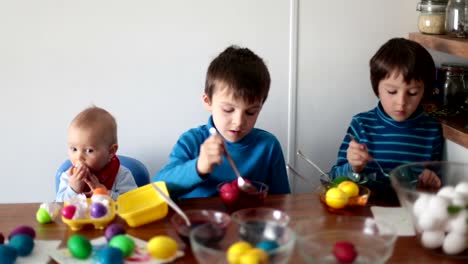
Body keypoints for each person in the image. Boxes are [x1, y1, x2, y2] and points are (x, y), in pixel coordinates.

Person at [154, 45, 291, 199]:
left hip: (249, 221)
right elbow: (156, 189)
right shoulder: (192, 142)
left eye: (250, 112)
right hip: (201, 222)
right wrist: (199, 166)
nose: (239, 122)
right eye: (228, 109)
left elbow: (283, 201)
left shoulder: (268, 146)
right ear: (208, 101)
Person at [329, 38, 443, 200]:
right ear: (377, 88)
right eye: (391, 91)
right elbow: (334, 178)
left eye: (412, 93)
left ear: (425, 91)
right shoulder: (361, 124)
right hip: (364, 212)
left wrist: (432, 181)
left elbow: (437, 185)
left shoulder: (432, 130)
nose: (401, 102)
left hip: (407, 213)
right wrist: (354, 168)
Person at [55, 106, 137, 202]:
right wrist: (73, 189)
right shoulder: (68, 177)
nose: (79, 157)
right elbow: (60, 207)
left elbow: (133, 203)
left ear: (111, 151)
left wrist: (105, 193)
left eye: (89, 150)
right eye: (74, 149)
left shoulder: (121, 175)